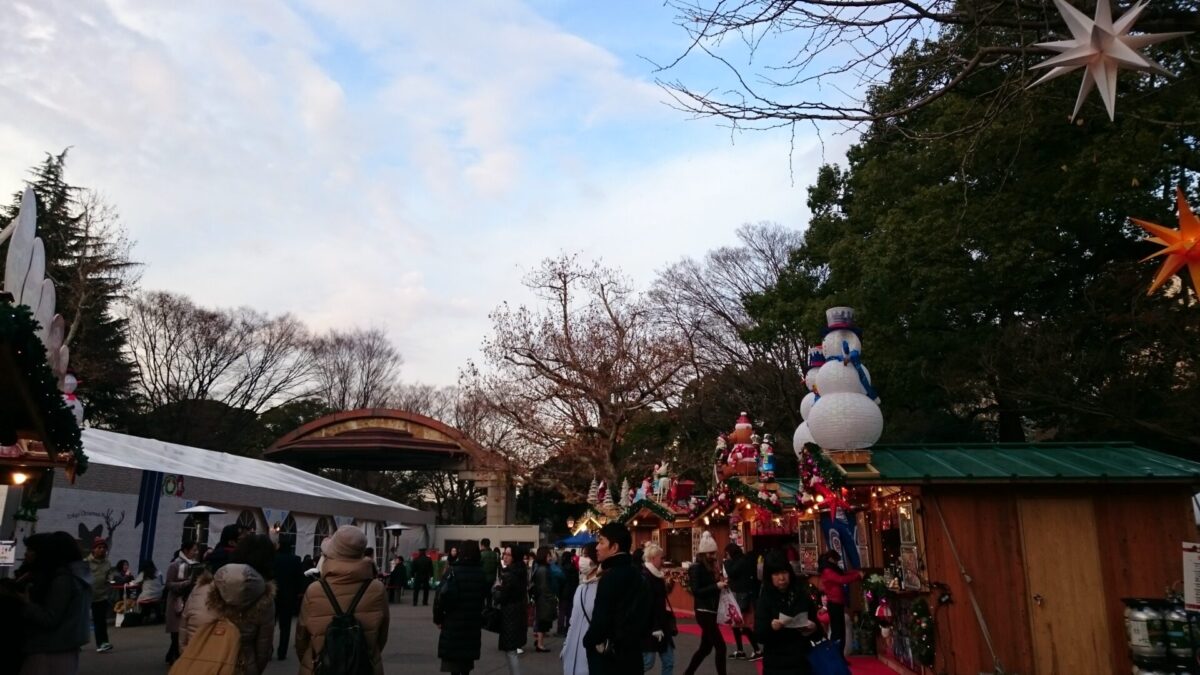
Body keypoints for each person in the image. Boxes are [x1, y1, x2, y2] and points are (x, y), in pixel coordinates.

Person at [296, 525, 389, 675]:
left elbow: (301, 637)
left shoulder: (315, 589)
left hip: (320, 666)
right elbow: (382, 635)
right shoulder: (377, 589)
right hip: (365, 667)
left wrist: (309, 661)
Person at [15, 531, 92, 675]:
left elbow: (49, 618)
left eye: (31, 550)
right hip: (65, 649)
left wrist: (26, 603)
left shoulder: (62, 580)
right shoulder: (79, 576)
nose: (27, 554)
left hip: (48, 650)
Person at [180, 563, 275, 674]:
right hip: (241, 667)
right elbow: (263, 646)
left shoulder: (200, 590)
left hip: (197, 664)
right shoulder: (264, 601)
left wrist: (187, 656)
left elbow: (184, 630)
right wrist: (254, 668)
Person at [583, 522, 650, 675]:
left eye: (601, 542)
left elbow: (601, 620)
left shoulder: (610, 577)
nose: (597, 547)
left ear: (614, 547)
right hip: (633, 653)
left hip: (610, 657)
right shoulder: (639, 575)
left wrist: (588, 641)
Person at [755, 556, 818, 675]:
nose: (781, 578)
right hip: (775, 664)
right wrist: (771, 627)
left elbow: (817, 632)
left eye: (784, 572)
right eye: (776, 574)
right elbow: (759, 635)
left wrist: (813, 628)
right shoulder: (765, 599)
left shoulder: (802, 595)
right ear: (769, 577)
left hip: (801, 661)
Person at [434, 540, 488, 675]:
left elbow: (440, 596)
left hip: (453, 621)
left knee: (454, 662)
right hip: (472, 622)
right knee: (466, 661)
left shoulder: (453, 571)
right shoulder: (481, 573)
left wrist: (438, 618)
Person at [682, 531, 727, 675]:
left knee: (705, 648)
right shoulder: (696, 568)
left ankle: (688, 673)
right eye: (710, 554)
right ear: (703, 554)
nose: (713, 556)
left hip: (711, 610)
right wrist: (716, 586)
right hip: (704, 610)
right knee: (721, 647)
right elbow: (696, 590)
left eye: (714, 553)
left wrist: (721, 584)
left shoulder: (711, 567)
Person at [560, 543, 599, 675]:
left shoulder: (602, 588)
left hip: (590, 655)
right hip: (572, 655)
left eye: (586, 555)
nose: (582, 560)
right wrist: (566, 647)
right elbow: (573, 621)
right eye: (582, 555)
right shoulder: (580, 588)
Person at [818, 550, 861, 660]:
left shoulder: (831, 568)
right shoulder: (827, 570)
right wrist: (856, 576)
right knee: (837, 632)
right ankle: (836, 656)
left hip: (837, 602)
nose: (837, 563)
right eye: (836, 560)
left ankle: (839, 656)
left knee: (840, 631)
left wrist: (856, 573)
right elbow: (841, 579)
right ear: (831, 559)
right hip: (834, 603)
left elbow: (843, 574)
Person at [165, 539, 202, 664]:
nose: (196, 553)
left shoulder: (195, 564)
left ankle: (172, 655)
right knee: (176, 632)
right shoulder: (175, 565)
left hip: (189, 601)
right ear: (186, 550)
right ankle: (176, 657)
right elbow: (169, 584)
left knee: (183, 630)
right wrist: (187, 582)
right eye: (194, 550)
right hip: (176, 601)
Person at [642, 542, 676, 675]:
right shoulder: (645, 576)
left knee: (669, 661)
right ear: (652, 558)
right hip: (651, 627)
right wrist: (655, 627)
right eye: (661, 558)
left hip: (662, 624)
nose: (663, 560)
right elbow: (647, 605)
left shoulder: (657, 575)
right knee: (648, 663)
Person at [724, 543, 762, 660]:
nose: (727, 556)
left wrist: (726, 562)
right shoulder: (743, 560)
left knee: (741, 623)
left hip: (741, 595)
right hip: (739, 593)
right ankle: (740, 649)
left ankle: (757, 649)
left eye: (727, 553)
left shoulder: (740, 562)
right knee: (736, 623)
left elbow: (731, 572)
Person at [496, 546, 529, 675]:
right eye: (504, 554)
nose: (505, 556)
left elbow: (502, 596)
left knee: (510, 651)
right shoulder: (520, 570)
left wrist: (497, 589)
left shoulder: (510, 574)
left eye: (508, 554)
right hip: (517, 612)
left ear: (515, 557)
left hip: (510, 614)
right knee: (511, 650)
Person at [274, 540, 305, 660]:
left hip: (274, 594)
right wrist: (299, 592)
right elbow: (299, 578)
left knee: (270, 624)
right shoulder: (296, 560)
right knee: (285, 626)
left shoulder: (274, 558)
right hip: (289, 596)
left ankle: (268, 648)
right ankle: (282, 652)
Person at [85, 537, 114, 653]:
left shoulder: (107, 563)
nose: (102, 550)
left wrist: (110, 580)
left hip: (101, 596)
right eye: (99, 548)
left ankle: (102, 643)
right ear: (93, 550)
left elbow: (109, 575)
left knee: (100, 621)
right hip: (86, 596)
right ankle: (76, 642)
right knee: (80, 620)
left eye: (104, 548)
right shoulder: (86, 562)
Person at [531, 545, 557, 652]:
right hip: (544, 599)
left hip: (540, 597)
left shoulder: (539, 568)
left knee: (540, 620)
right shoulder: (543, 570)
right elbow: (544, 587)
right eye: (548, 556)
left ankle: (539, 641)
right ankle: (540, 645)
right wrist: (553, 598)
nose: (550, 558)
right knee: (542, 621)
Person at [556, 550, 578, 636]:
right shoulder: (574, 568)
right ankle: (568, 628)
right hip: (572, 592)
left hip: (563, 592)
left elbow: (560, 582)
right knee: (569, 611)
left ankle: (560, 629)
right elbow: (576, 581)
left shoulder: (562, 569)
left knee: (561, 611)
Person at [480, 539, 498, 606]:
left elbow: (479, 565)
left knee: (483, 595)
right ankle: (489, 608)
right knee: (489, 596)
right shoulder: (495, 554)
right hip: (492, 579)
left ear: (482, 545)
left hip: (484, 579)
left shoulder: (482, 554)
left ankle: (484, 610)